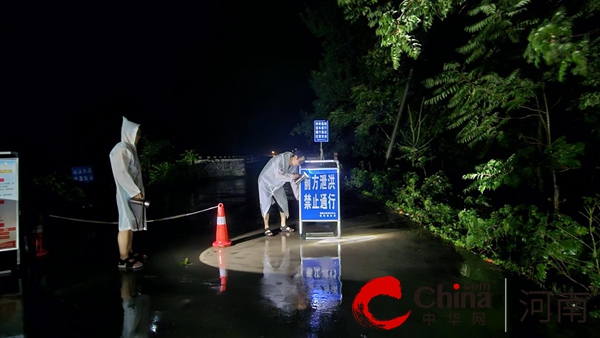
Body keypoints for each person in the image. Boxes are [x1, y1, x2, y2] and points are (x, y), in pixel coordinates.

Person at [110, 116, 147, 269]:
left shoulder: (129, 149)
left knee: (131, 223)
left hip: (132, 194)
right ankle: (123, 259)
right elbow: (121, 172)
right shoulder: (121, 149)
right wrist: (134, 191)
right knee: (125, 224)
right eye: (137, 133)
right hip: (127, 193)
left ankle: (129, 252)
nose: (139, 137)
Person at [258, 149, 305, 236]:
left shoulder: (294, 167)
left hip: (278, 184)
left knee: (283, 202)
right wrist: (292, 176)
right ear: (295, 157)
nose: (300, 164)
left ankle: (283, 225)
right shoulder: (280, 159)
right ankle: (266, 227)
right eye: (300, 161)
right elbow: (279, 175)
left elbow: (293, 182)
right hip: (265, 182)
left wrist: (299, 197)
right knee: (266, 204)